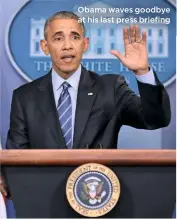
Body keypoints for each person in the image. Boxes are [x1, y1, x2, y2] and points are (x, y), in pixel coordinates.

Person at [0, 11, 171, 197]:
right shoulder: (25, 97)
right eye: (58, 38)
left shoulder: (110, 88)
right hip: (43, 203)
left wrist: (142, 72)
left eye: (75, 37)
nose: (67, 46)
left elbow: (156, 119)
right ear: (45, 46)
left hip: (97, 199)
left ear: (85, 44)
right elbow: (16, 156)